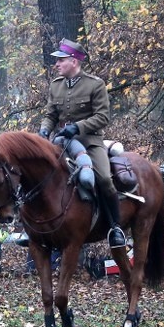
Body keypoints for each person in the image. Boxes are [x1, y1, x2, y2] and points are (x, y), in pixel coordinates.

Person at [40, 38, 125, 248]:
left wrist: (78, 127)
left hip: (90, 142)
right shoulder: (56, 85)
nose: (57, 64)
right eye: (57, 61)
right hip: (61, 143)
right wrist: (44, 130)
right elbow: (51, 114)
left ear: (74, 61)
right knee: (38, 174)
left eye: (61, 60)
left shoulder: (95, 84)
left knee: (105, 179)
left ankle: (115, 228)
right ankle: (37, 230)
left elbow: (103, 117)